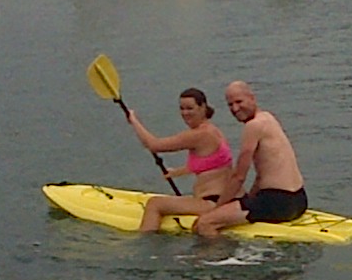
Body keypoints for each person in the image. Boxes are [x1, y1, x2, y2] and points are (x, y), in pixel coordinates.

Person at [194, 80, 307, 238]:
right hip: (299, 201)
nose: (235, 109)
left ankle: (221, 253)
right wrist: (249, 198)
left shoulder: (253, 126)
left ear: (252, 98)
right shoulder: (268, 118)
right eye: (230, 105)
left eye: (239, 102)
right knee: (243, 202)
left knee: (205, 223)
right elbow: (262, 175)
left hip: (278, 203)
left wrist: (216, 209)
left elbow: (238, 177)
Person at [126, 88, 237, 233]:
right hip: (226, 199)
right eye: (182, 108)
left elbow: (154, 145)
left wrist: (134, 121)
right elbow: (213, 164)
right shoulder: (214, 131)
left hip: (211, 202)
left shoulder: (199, 134)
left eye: (190, 108)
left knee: (154, 204)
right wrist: (178, 172)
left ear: (203, 107)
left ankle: (144, 241)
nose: (185, 113)